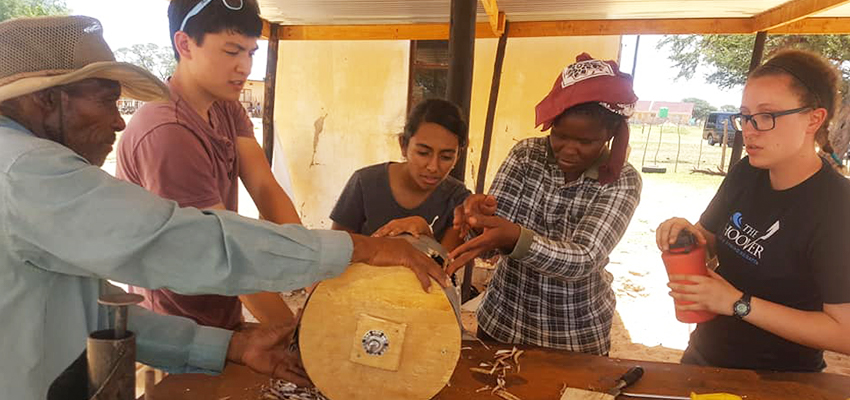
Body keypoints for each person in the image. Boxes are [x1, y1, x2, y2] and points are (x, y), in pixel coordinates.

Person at [0, 15, 447, 400]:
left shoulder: (224, 110)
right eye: (105, 100)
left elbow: (95, 315)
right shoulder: (26, 170)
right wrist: (354, 250)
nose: (119, 120)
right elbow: (188, 242)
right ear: (44, 99)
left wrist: (229, 348)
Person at [655, 49, 850, 372]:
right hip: (703, 356)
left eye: (766, 116)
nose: (750, 129)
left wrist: (737, 304)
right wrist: (684, 233)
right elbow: (708, 238)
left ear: (814, 119)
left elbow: (844, 333)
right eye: (745, 116)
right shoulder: (748, 172)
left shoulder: (836, 207)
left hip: (777, 379)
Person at [116, 0, 299, 330]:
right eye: (231, 51)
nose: (244, 67)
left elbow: (264, 188)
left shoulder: (225, 106)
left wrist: (312, 271)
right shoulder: (168, 131)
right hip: (176, 328)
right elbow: (226, 257)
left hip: (220, 309)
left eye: (250, 52)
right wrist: (293, 332)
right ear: (185, 44)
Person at [448, 53, 642, 355]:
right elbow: (490, 243)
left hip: (573, 338)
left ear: (609, 136)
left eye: (586, 142)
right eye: (560, 135)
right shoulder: (526, 155)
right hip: (503, 323)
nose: (569, 149)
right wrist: (476, 219)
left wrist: (515, 237)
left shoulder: (622, 180)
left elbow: (584, 258)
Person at [331, 98, 471, 251]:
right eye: (423, 153)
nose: (433, 167)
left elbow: (444, 267)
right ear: (403, 145)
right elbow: (337, 251)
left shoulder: (458, 200)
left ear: (458, 156)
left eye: (446, 157)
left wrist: (426, 233)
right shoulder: (365, 183)